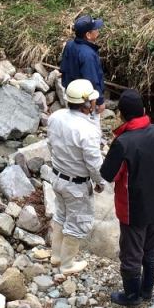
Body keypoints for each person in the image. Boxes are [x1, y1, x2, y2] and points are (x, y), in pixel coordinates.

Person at [99, 89, 154, 307]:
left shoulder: (123, 142)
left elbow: (108, 174)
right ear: (144, 110)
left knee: (131, 254)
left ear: (121, 115)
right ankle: (147, 291)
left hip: (133, 209)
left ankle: (131, 297)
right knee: (151, 250)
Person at [45, 79, 107, 276]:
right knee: (77, 222)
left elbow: (50, 143)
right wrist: (100, 182)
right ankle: (67, 265)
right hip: (76, 184)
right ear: (87, 103)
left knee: (61, 216)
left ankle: (56, 257)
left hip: (57, 177)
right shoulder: (86, 130)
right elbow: (94, 163)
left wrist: (94, 116)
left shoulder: (56, 116)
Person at [60, 15, 105, 110]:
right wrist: (100, 101)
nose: (98, 30)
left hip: (72, 97)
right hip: (86, 101)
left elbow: (64, 71)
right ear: (88, 35)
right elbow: (91, 80)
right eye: (95, 28)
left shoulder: (70, 44)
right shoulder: (87, 54)